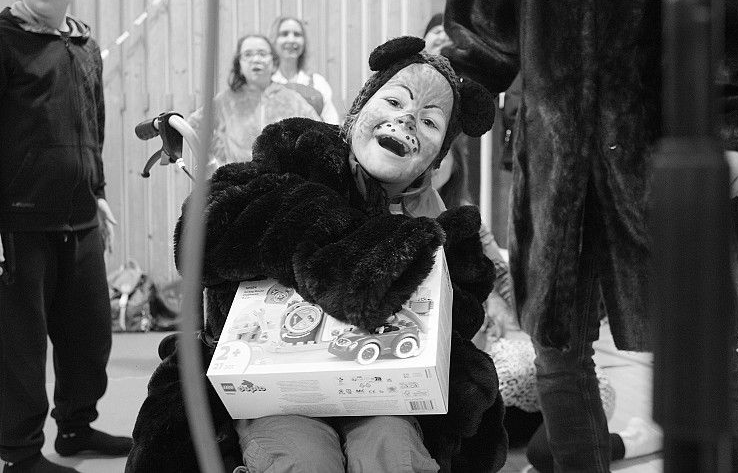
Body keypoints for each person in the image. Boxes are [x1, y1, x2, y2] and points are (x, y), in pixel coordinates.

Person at [441, 0, 738, 472]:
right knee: (557, 354)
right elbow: (480, 38)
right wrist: (426, 102)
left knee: (706, 352)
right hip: (557, 169)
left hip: (675, 158)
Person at [126, 36, 507, 473]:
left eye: (429, 121)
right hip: (278, 385)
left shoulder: (440, 223)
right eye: (394, 101)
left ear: (437, 156)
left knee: (392, 450)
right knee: (303, 458)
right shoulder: (297, 156)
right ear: (359, 110)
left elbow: (454, 323)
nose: (406, 119)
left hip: (378, 388)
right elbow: (207, 235)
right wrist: (334, 243)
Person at [432, 136, 663, 472]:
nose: (433, 161)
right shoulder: (395, 210)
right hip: (449, 370)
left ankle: (631, 441)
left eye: (443, 154)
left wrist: (497, 301)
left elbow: (506, 281)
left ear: (456, 163)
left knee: (546, 450)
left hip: (499, 362)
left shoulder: (466, 216)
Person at [0, 0, 133, 472]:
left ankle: (76, 428)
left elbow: (90, 124)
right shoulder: (4, 41)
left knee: (88, 336)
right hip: (18, 224)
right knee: (20, 347)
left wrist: (97, 192)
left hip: (79, 219)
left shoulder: (84, 45)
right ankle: (20, 452)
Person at [188, 33, 320, 167]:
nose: (256, 59)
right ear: (239, 65)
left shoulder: (292, 100)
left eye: (262, 54)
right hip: (239, 176)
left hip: (282, 177)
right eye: (248, 54)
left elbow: (319, 133)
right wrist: (220, 154)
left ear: (274, 63)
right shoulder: (225, 101)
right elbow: (194, 125)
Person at [270, 16, 340, 125]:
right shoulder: (266, 83)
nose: (291, 39)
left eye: (297, 34)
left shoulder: (318, 82)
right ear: (274, 41)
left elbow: (333, 124)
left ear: (304, 42)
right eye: (284, 34)